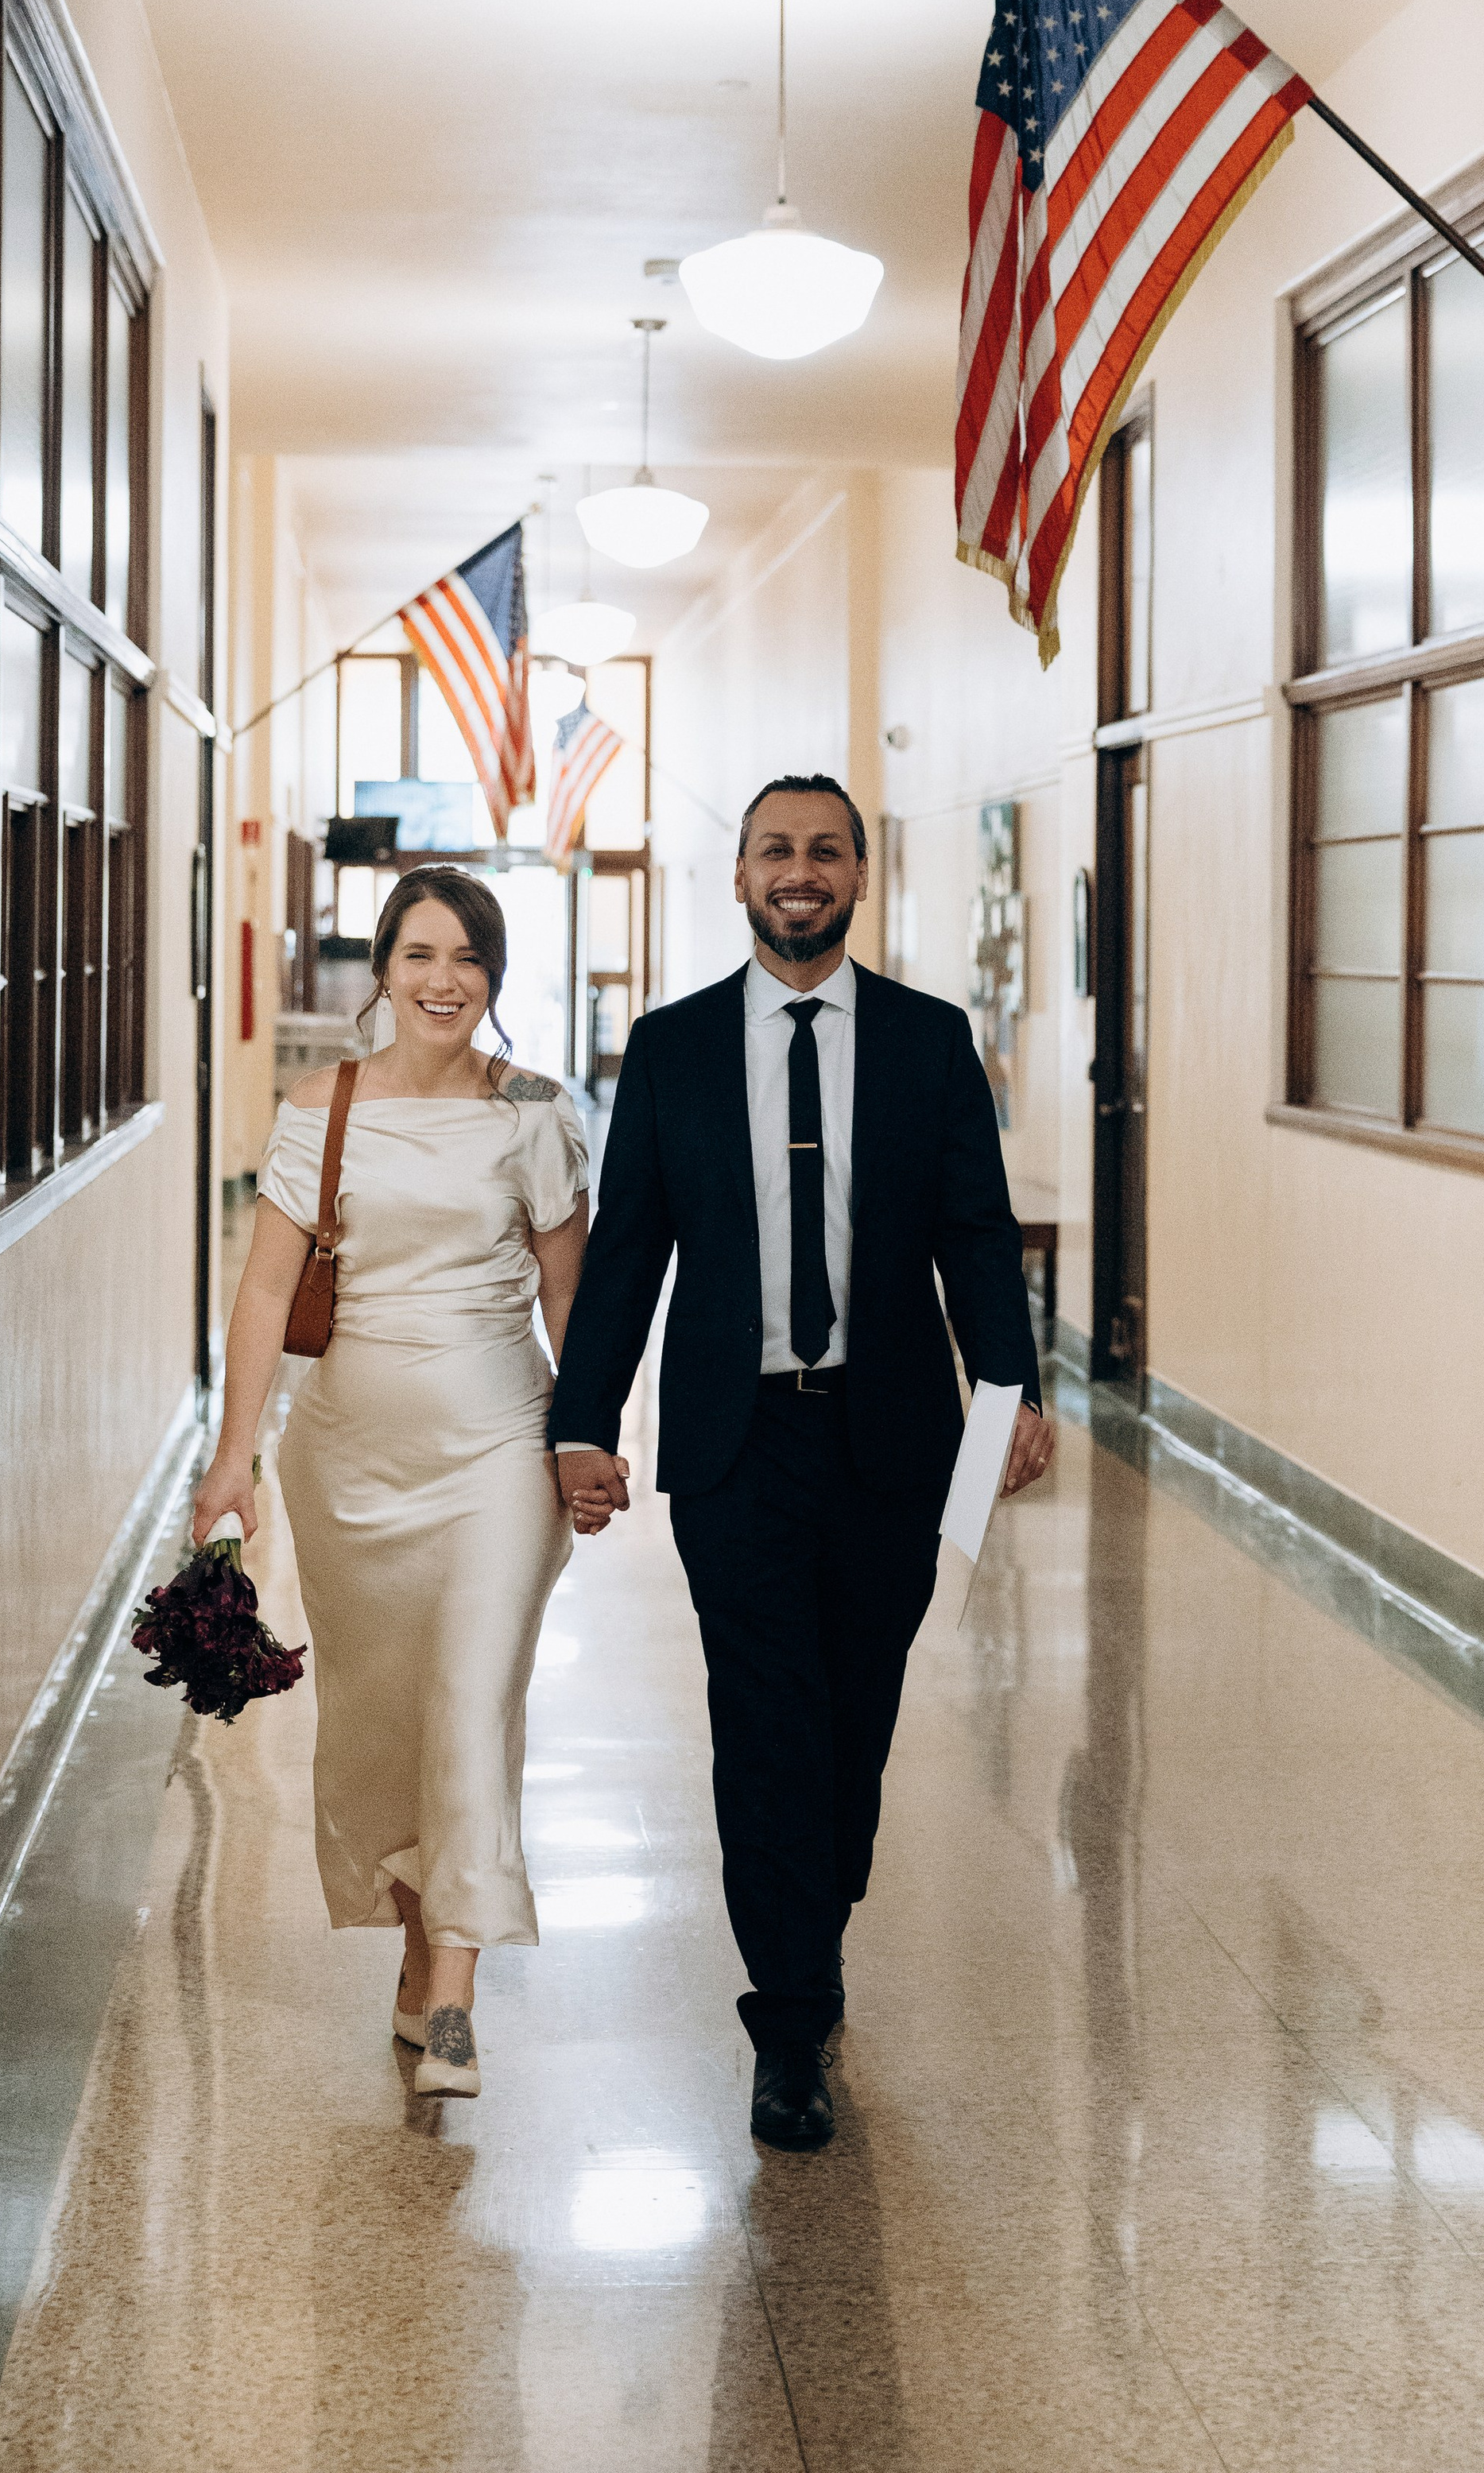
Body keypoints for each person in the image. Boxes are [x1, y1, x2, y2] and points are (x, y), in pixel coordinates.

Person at [550, 774, 1056, 2150]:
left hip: (894, 1437)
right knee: (765, 1717)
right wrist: (581, 1420)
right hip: (736, 1438)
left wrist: (1011, 1390)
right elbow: (629, 1256)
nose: (800, 870)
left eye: (825, 851)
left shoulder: (927, 1042)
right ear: (738, 877)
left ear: (859, 877)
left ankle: (813, 1921)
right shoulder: (671, 1050)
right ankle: (789, 2013)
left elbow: (973, 1230)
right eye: (776, 848)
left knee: (856, 1717)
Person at [193, 865, 608, 2100]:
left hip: (498, 1446)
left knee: (472, 1699)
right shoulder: (321, 1105)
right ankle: (423, 1948)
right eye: (422, 955)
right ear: (384, 968)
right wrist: (234, 1454)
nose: (446, 981)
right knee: (385, 1715)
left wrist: (584, 1433)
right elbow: (267, 1290)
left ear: (494, 977)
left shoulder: (535, 1108)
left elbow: (569, 1292)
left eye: (470, 959)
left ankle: (459, 1996)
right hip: (350, 1460)